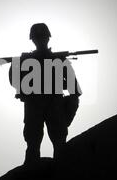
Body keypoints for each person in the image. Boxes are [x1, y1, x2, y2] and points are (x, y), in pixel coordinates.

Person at [9, 23, 82, 164]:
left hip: (53, 102)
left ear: (47, 38)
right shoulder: (25, 60)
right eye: (38, 37)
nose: (40, 40)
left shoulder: (58, 59)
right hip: (34, 103)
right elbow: (14, 79)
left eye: (42, 37)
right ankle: (32, 167)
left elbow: (74, 89)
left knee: (59, 140)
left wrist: (69, 108)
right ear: (33, 40)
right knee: (33, 140)